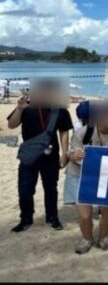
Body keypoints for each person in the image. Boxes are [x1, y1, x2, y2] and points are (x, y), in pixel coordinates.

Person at [8, 84, 73, 232]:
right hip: (29, 156)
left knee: (51, 189)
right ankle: (26, 219)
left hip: (50, 157)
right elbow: (11, 125)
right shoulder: (26, 107)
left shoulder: (60, 110)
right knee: (25, 190)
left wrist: (65, 153)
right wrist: (19, 109)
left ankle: (52, 217)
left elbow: (64, 132)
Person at [65, 103, 108, 254]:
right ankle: (87, 239)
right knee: (85, 215)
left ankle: (103, 237)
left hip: (105, 176)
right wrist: (73, 155)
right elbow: (70, 154)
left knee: (107, 211)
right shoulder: (83, 132)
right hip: (79, 175)